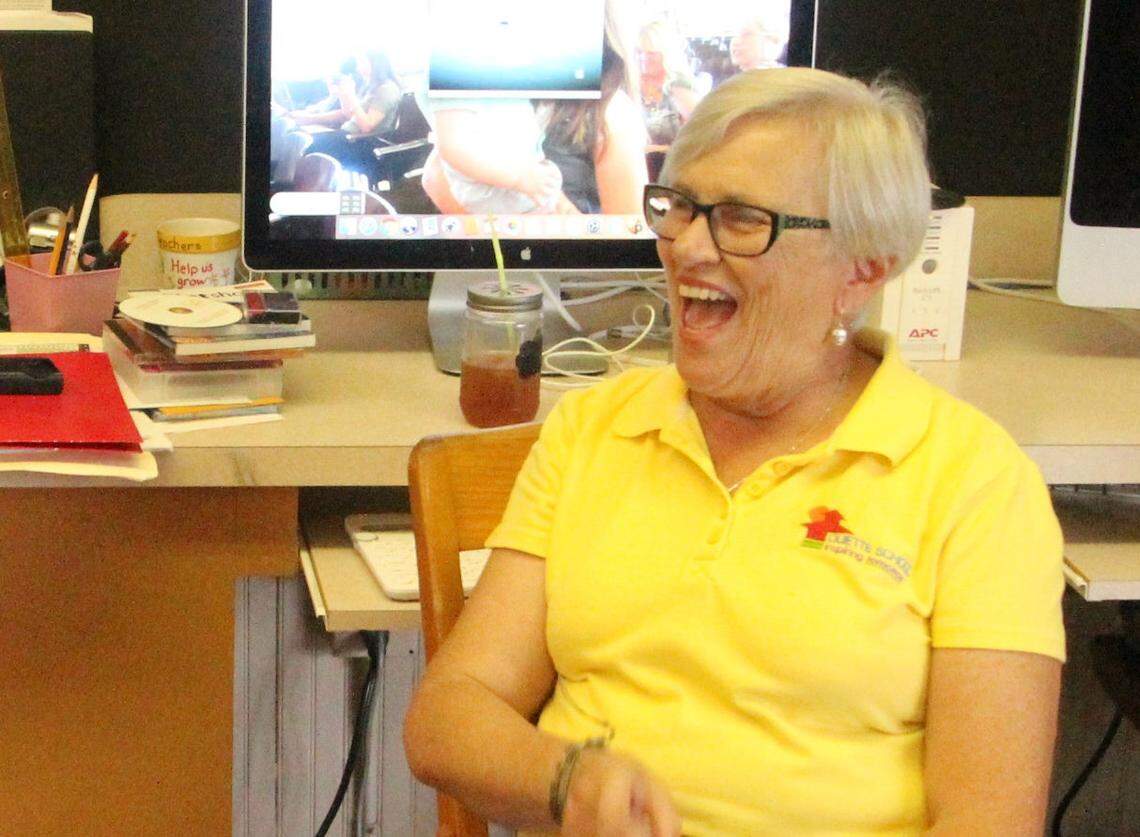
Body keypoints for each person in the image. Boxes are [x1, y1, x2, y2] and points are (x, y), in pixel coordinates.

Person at [404, 67, 1065, 836]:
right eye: (678, 206)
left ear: (863, 269)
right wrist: (566, 780)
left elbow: (989, 822)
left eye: (743, 219)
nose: (687, 246)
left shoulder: (973, 481)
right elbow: (447, 716)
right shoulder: (594, 429)